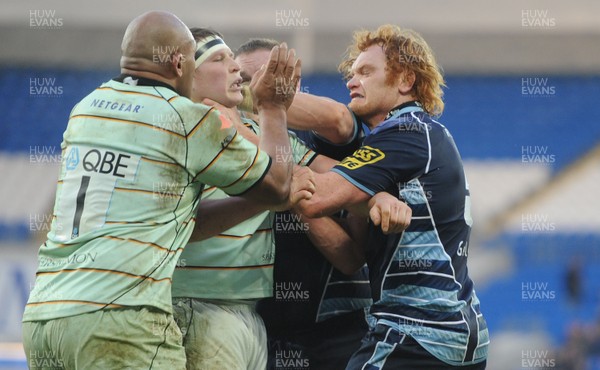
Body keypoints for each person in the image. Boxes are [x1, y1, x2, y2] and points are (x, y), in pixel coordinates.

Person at [21, 11, 304, 369]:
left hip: (45, 315)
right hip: (121, 319)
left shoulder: (86, 110)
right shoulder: (186, 119)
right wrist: (273, 108)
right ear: (179, 63)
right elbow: (278, 184)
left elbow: (179, 217)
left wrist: (253, 201)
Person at [171, 29, 409, 370]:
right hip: (207, 307)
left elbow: (339, 136)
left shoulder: (294, 136)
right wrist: (281, 184)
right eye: (228, 65)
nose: (246, 80)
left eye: (271, 77)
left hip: (325, 327)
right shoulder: (186, 125)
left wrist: (376, 198)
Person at [295, 24, 489, 368]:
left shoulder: (405, 131)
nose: (352, 81)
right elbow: (354, 252)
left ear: (405, 81)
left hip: (418, 331)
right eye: (352, 74)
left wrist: (268, 133)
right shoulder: (419, 135)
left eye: (366, 71)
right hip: (454, 329)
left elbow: (314, 197)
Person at [235, 38, 375, 370]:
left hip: (338, 328)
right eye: (243, 81)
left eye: (269, 79)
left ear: (295, 84)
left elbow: (341, 119)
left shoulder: (321, 136)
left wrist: (288, 189)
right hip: (263, 330)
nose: (256, 89)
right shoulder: (226, 142)